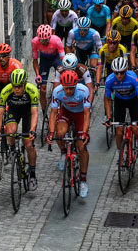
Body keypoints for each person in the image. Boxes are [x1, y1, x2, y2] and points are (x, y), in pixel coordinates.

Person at [0, 68, 40, 189]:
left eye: (19, 86)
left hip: (28, 113)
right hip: (14, 111)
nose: (17, 89)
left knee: (29, 144)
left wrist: (32, 130)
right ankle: (13, 149)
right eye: (14, 86)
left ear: (25, 84)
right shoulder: (6, 91)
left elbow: (35, 113)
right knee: (10, 131)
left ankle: (33, 175)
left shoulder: (32, 90)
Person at [50, 69, 92, 198]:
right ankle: (64, 152)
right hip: (66, 112)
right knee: (60, 132)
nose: (68, 91)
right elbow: (53, 113)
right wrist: (51, 133)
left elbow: (86, 114)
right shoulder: (57, 92)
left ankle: (83, 180)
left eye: (71, 88)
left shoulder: (83, 90)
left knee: (81, 147)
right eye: (66, 88)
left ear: (75, 86)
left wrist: (84, 133)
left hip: (80, 115)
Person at [104, 57, 138, 156]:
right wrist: (109, 117)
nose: (119, 75)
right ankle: (120, 154)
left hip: (133, 101)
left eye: (122, 72)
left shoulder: (133, 78)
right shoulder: (109, 80)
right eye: (116, 73)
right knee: (119, 132)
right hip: (119, 101)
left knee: (135, 128)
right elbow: (108, 99)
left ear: (126, 70)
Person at [31, 25, 65, 115]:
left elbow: (63, 60)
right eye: (41, 40)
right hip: (44, 60)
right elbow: (35, 60)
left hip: (56, 58)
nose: (44, 43)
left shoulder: (57, 40)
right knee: (42, 89)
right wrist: (38, 75)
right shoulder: (34, 42)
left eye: (46, 40)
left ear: (50, 36)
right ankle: (44, 111)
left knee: (58, 84)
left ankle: (58, 105)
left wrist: (62, 72)